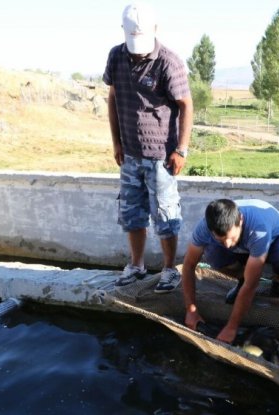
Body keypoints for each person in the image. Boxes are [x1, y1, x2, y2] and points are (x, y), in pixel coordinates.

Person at [103, 3, 193, 292]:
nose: (137, 49)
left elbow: (186, 105)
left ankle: (169, 270)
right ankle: (137, 265)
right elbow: (113, 99)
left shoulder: (169, 61)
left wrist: (181, 149)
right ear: (124, 32)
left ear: (156, 30)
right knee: (131, 213)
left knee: (165, 215)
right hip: (130, 154)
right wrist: (117, 142)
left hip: (162, 158)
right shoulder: (116, 56)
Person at [181, 199, 279, 344]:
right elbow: (188, 266)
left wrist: (231, 327)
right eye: (221, 239)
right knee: (214, 254)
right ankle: (240, 280)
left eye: (230, 237)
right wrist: (191, 310)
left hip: (276, 240)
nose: (227, 244)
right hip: (246, 247)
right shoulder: (204, 227)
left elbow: (252, 285)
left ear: (240, 220)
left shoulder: (258, 228)